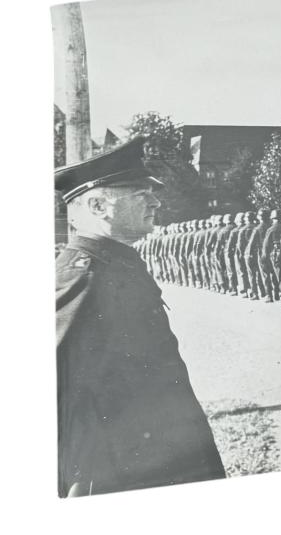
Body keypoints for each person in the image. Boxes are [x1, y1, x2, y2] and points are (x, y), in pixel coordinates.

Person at [54, 137, 225, 497]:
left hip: (162, 460)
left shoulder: (117, 263)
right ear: (98, 205)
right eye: (139, 193)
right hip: (119, 475)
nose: (156, 201)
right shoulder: (83, 275)